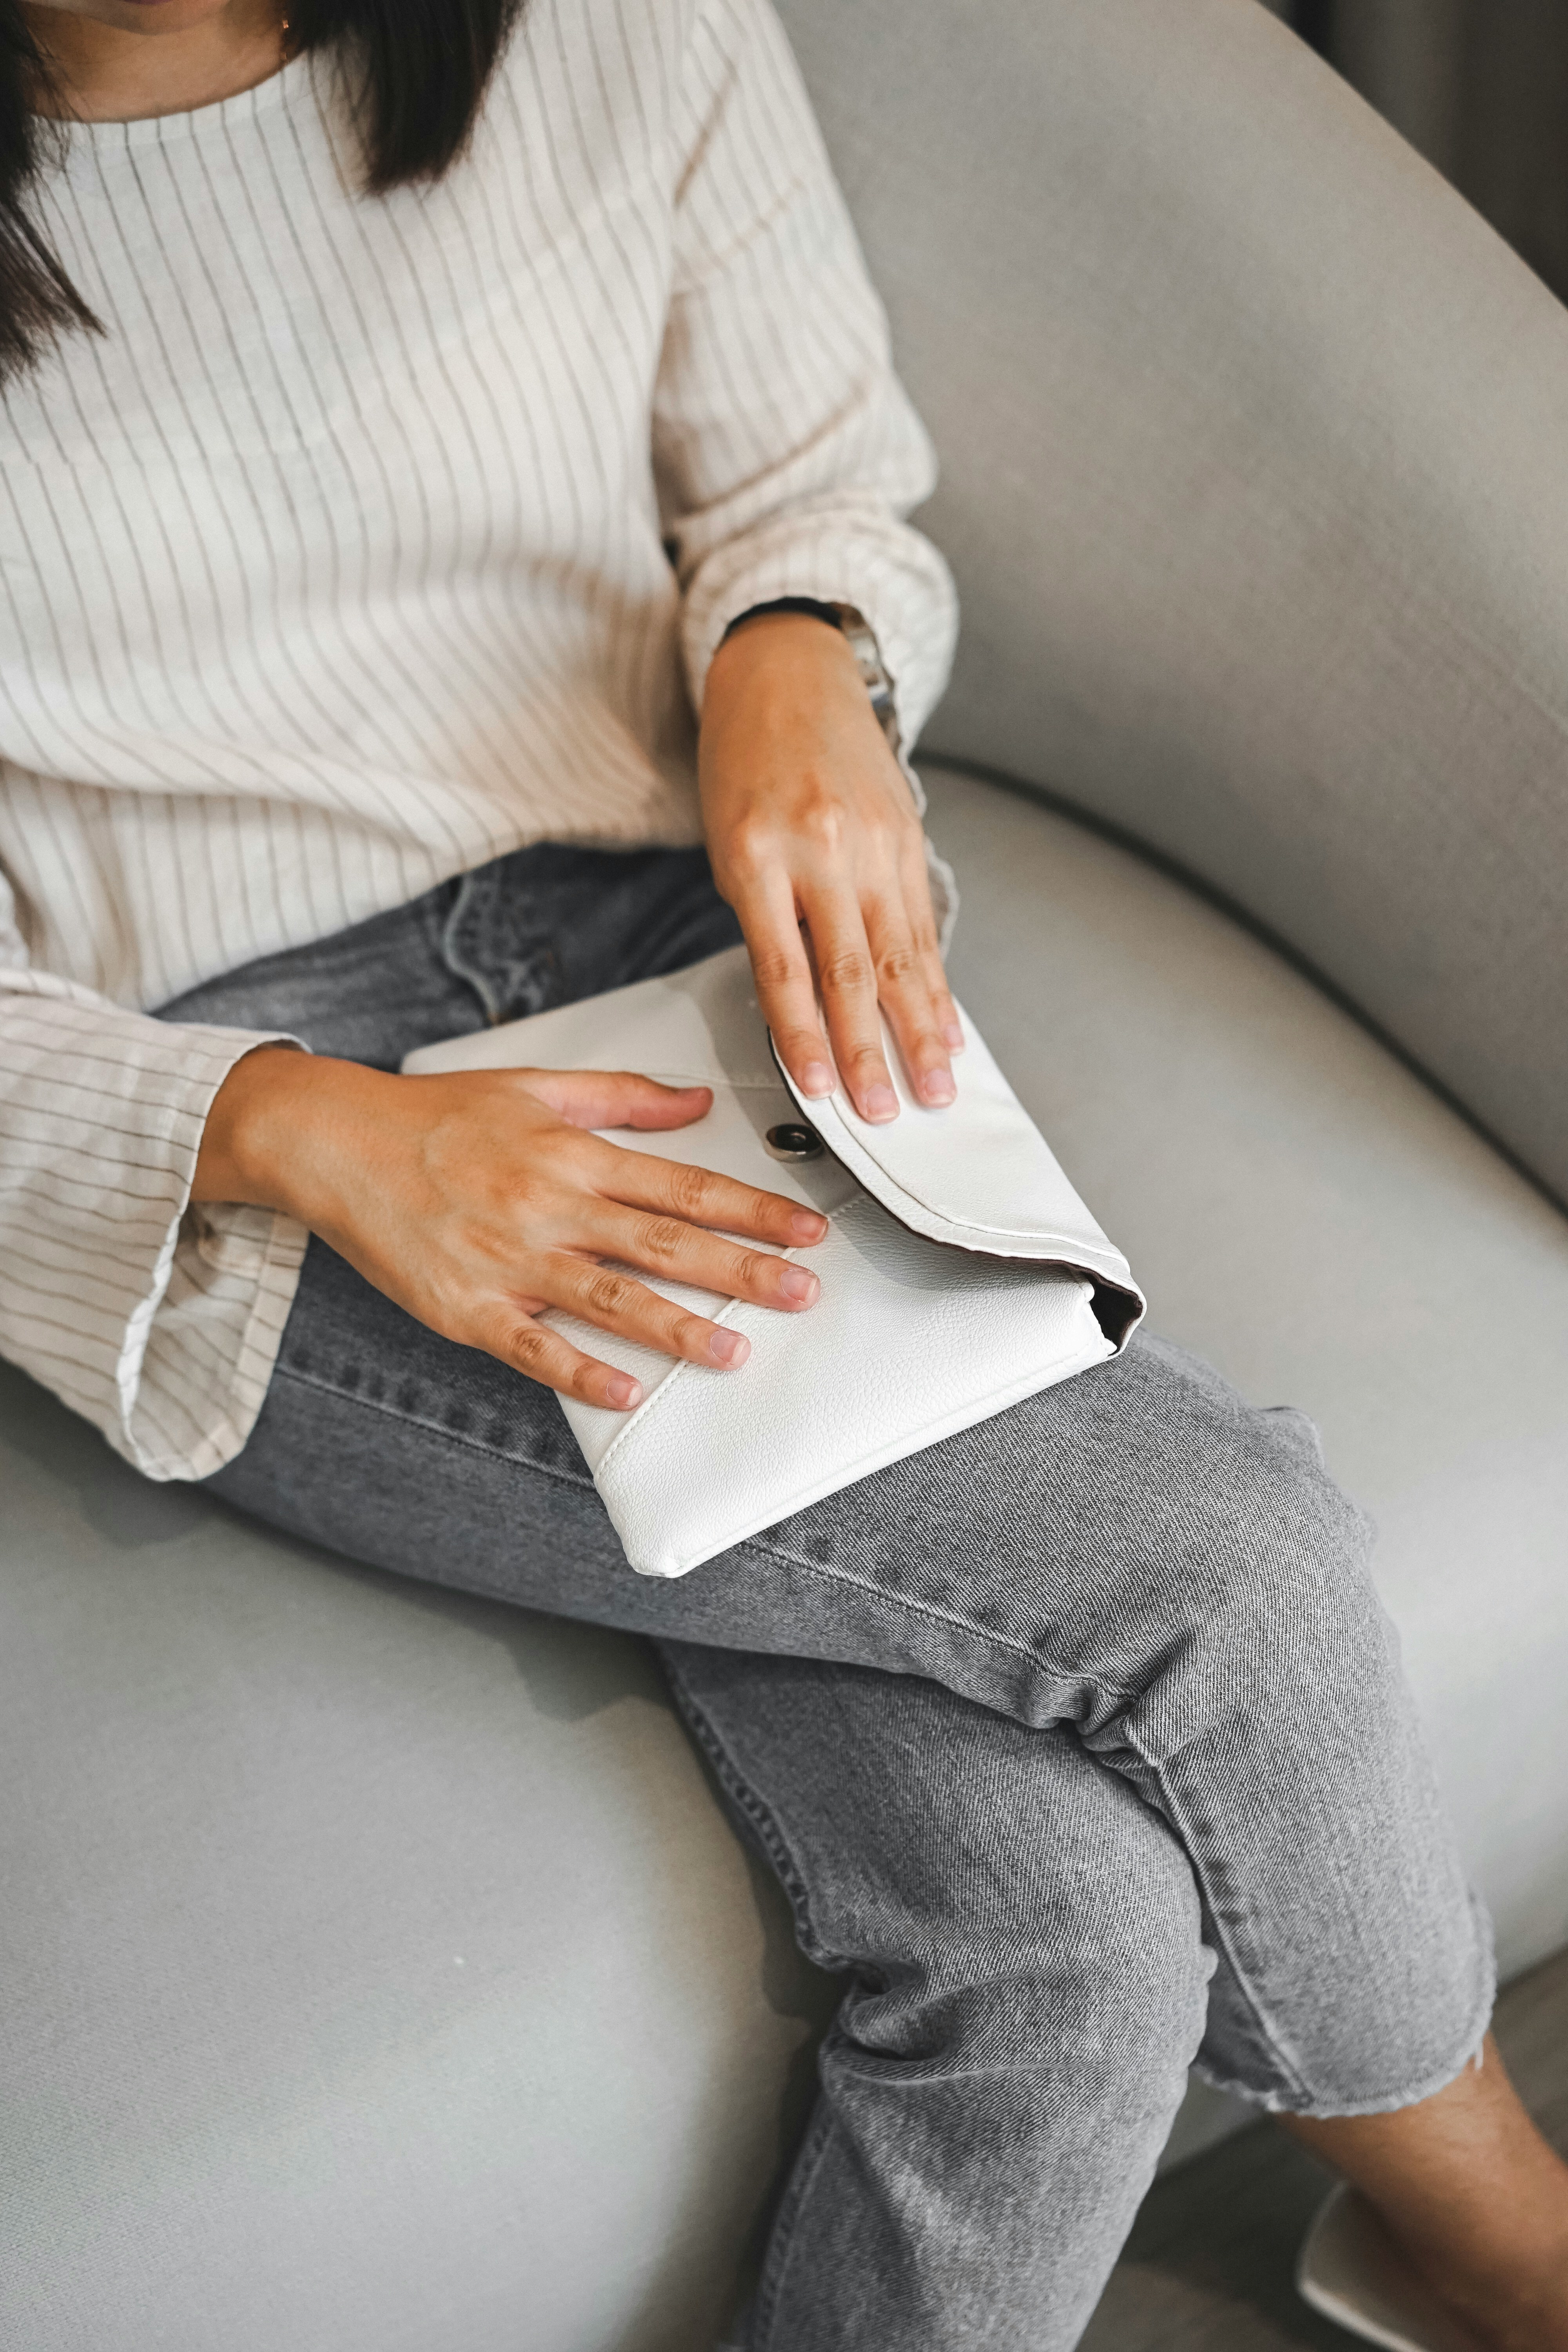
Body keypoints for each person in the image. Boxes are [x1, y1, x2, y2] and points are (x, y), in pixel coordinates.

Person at [2, 0, 1565, 2343]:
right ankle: (1507, 2252)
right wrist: (301, 1132)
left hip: (680, 948)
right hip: (236, 1112)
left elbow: (808, 482)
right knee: (1218, 1571)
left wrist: (797, 658)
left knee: (1052, 1935)